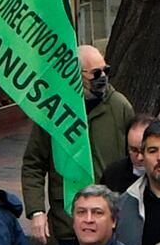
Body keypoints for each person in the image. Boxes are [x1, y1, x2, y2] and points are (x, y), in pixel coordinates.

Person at [21, 43, 137, 218]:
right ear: (76, 75)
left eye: (106, 70)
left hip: (110, 215)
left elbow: (135, 158)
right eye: (96, 73)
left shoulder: (119, 106)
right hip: (67, 218)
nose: (103, 77)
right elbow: (33, 164)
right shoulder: (54, 111)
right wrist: (37, 211)